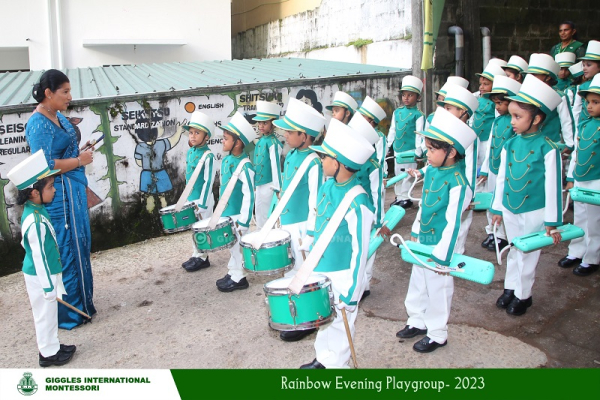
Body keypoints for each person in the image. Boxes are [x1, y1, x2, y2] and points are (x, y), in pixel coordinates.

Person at [397, 107, 476, 353]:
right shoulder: (433, 169)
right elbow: (425, 203)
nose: (427, 154)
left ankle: (437, 333)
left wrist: (441, 257)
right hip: (423, 239)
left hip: (441, 246)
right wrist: (416, 230)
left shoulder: (459, 184)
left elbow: (453, 224)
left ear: (451, 152)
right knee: (418, 281)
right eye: (428, 148)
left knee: (439, 288)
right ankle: (417, 320)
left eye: (432, 149)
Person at [300, 119, 375, 369]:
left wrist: (353, 291)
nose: (321, 161)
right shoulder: (328, 186)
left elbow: (360, 251)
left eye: (324, 157)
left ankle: (339, 364)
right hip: (322, 266)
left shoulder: (358, 201)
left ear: (338, 163)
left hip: (343, 273)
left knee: (342, 323)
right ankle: (324, 358)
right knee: (324, 316)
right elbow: (318, 215)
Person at [25, 69, 96, 329]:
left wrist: (81, 151)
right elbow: (42, 166)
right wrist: (78, 161)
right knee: (65, 249)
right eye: (64, 92)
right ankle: (70, 314)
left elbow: (63, 151)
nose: (69, 97)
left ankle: (84, 306)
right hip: (58, 198)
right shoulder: (38, 123)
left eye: (69, 91)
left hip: (72, 192)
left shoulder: (57, 116)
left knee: (80, 246)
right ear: (48, 93)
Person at [491, 75, 563, 316]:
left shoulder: (548, 147)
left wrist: (552, 222)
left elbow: (554, 186)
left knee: (528, 255)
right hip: (511, 205)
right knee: (513, 249)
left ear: (537, 119)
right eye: (511, 115)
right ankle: (510, 288)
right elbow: (502, 178)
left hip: (534, 209)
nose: (512, 121)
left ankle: (524, 295)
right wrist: (498, 208)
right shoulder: (510, 144)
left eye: (518, 117)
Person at [7, 151, 77, 367]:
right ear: (34, 193)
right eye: (50, 187)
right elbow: (37, 256)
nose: (54, 189)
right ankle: (47, 355)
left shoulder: (36, 210)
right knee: (44, 315)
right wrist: (48, 287)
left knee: (50, 314)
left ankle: (53, 345)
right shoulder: (34, 219)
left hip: (46, 274)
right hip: (40, 277)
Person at [272, 98, 325, 342]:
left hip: (304, 226)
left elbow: (316, 201)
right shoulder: (292, 154)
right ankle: (295, 314)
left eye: (290, 131)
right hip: (288, 222)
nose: (284, 134)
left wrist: (312, 234)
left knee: (305, 271)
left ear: (304, 136)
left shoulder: (314, 161)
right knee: (292, 269)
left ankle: (308, 320)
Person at [559, 74, 600, 276]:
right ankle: (576, 250)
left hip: (597, 180)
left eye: (595, 102)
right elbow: (577, 153)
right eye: (587, 102)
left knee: (594, 222)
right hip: (582, 178)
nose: (589, 106)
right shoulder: (584, 125)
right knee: (580, 217)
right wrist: (571, 177)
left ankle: (592, 257)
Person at [435, 85, 479, 256]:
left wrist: (470, 194)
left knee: (460, 222)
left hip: (461, 185)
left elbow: (471, 166)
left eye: (449, 108)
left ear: (462, 111)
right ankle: (444, 249)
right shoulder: (444, 132)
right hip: (444, 184)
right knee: (447, 218)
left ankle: (457, 253)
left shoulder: (469, 135)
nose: (444, 111)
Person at [479, 76, 522, 252]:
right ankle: (493, 231)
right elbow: (490, 145)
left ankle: (503, 235)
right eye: (496, 103)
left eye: (501, 103)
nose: (497, 107)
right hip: (494, 168)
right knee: (492, 199)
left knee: (503, 201)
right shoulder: (497, 121)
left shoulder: (516, 124)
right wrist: (485, 168)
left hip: (507, 170)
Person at [215, 112, 256, 292]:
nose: (222, 141)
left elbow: (249, 194)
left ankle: (240, 277)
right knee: (232, 244)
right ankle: (233, 271)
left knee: (239, 245)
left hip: (239, 213)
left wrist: (244, 220)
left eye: (226, 138)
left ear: (238, 143)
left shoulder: (245, 165)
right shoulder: (228, 160)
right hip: (227, 210)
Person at [349, 112, 386, 299]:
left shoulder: (373, 167)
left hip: (367, 213)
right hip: (350, 212)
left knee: (367, 249)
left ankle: (365, 284)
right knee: (354, 247)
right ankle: (357, 281)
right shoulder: (348, 161)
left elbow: (377, 194)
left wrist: (379, 221)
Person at [180, 111, 216, 272]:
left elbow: (209, 181)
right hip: (191, 197)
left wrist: (202, 203)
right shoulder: (190, 152)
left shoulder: (208, 156)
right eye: (191, 133)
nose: (193, 136)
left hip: (204, 199)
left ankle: (202, 257)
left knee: (201, 227)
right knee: (194, 227)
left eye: (197, 133)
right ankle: (196, 253)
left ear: (206, 136)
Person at [525, 53, 575, 155]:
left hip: (551, 142)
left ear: (547, 78)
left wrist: (569, 144)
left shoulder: (559, 96)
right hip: (529, 141)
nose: (530, 77)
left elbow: (566, 120)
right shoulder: (526, 93)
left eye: (534, 75)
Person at [387, 75, 425, 209]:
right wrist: (388, 147)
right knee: (398, 174)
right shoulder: (397, 112)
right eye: (404, 95)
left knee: (408, 174)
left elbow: (419, 134)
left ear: (417, 97)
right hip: (398, 149)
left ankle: (406, 197)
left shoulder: (418, 115)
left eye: (410, 95)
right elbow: (392, 130)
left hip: (410, 150)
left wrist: (418, 151)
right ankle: (399, 197)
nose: (406, 98)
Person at [252, 101, 283, 230]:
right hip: (259, 184)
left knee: (265, 215)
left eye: (265, 123)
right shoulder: (262, 140)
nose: (261, 126)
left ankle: (265, 240)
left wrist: (277, 188)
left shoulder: (273, 143)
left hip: (269, 184)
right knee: (259, 214)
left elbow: (276, 167)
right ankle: (261, 238)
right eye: (259, 123)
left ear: (272, 124)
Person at [473, 63, 507, 170]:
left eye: (486, 84)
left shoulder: (495, 103)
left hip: (487, 139)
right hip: (476, 138)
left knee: (485, 162)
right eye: (481, 84)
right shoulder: (477, 98)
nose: (481, 87)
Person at [572, 40, 600, 126]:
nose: (584, 68)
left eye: (588, 65)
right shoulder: (582, 87)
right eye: (583, 65)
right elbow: (576, 112)